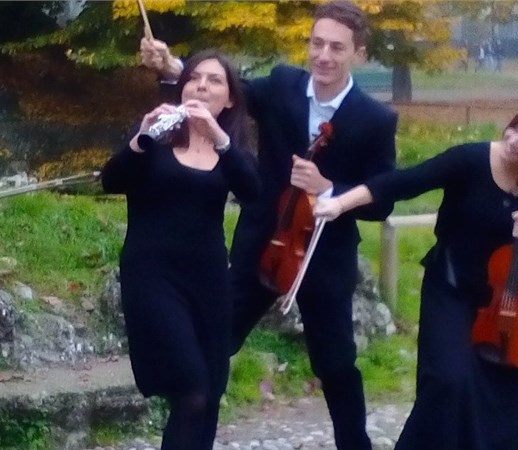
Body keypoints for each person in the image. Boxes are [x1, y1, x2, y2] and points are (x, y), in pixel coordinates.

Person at [140, 1, 397, 448]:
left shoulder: (376, 119)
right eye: (317, 44)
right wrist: (173, 66)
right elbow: (228, 90)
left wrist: (330, 189)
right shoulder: (282, 84)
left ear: (359, 53)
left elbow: (381, 201)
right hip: (262, 242)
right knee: (213, 347)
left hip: (324, 255)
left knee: (336, 365)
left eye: (337, 48)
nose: (323, 56)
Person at [315, 99, 518, 450]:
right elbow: (404, 182)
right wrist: (339, 202)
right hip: (451, 288)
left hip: (515, 300)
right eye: (514, 129)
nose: (513, 140)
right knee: (448, 381)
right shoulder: (470, 160)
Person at [101, 50, 260, 450]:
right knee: (191, 388)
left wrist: (218, 137)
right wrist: (140, 138)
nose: (201, 86)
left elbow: (253, 192)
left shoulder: (231, 150)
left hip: (208, 280)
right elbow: (112, 180)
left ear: (230, 99)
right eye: (193, 78)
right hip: (152, 276)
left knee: (209, 393)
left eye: (214, 80)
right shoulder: (158, 138)